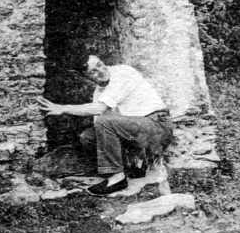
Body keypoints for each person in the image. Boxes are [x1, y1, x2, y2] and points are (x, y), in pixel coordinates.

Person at [37, 54, 173, 195]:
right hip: (138, 133)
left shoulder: (123, 72)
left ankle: (117, 178)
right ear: (85, 77)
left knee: (104, 122)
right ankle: (136, 162)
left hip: (157, 128)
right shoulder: (99, 92)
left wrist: (63, 108)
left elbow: (100, 109)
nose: (101, 71)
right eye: (93, 72)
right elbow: (101, 131)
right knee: (88, 137)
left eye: (100, 65)